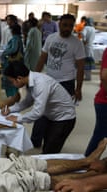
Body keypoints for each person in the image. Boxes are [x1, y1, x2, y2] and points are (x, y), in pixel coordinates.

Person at [2, 60, 76, 154]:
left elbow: (38, 112)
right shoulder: (30, 81)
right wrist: (10, 109)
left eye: (12, 82)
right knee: (48, 146)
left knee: (50, 152)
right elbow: (27, 102)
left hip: (64, 118)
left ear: (19, 78)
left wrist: (18, 118)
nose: (12, 84)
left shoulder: (41, 83)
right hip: (51, 115)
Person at [34, 13, 85, 148]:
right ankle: (36, 139)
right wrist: (34, 78)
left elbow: (81, 68)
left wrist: (78, 88)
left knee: (60, 115)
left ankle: (51, 143)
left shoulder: (77, 44)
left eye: (70, 26)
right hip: (48, 80)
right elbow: (42, 59)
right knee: (42, 110)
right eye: (64, 25)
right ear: (59, 24)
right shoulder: (51, 38)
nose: (67, 28)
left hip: (66, 83)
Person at [85, 48, 107, 156]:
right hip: (104, 102)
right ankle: (86, 162)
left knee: (100, 135)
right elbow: (105, 77)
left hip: (102, 101)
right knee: (100, 136)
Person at [1, 23, 24, 97]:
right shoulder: (19, 38)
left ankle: (11, 98)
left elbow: (13, 49)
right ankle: (14, 96)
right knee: (15, 81)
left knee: (10, 82)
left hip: (12, 63)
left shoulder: (15, 39)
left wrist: (4, 52)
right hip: (17, 64)